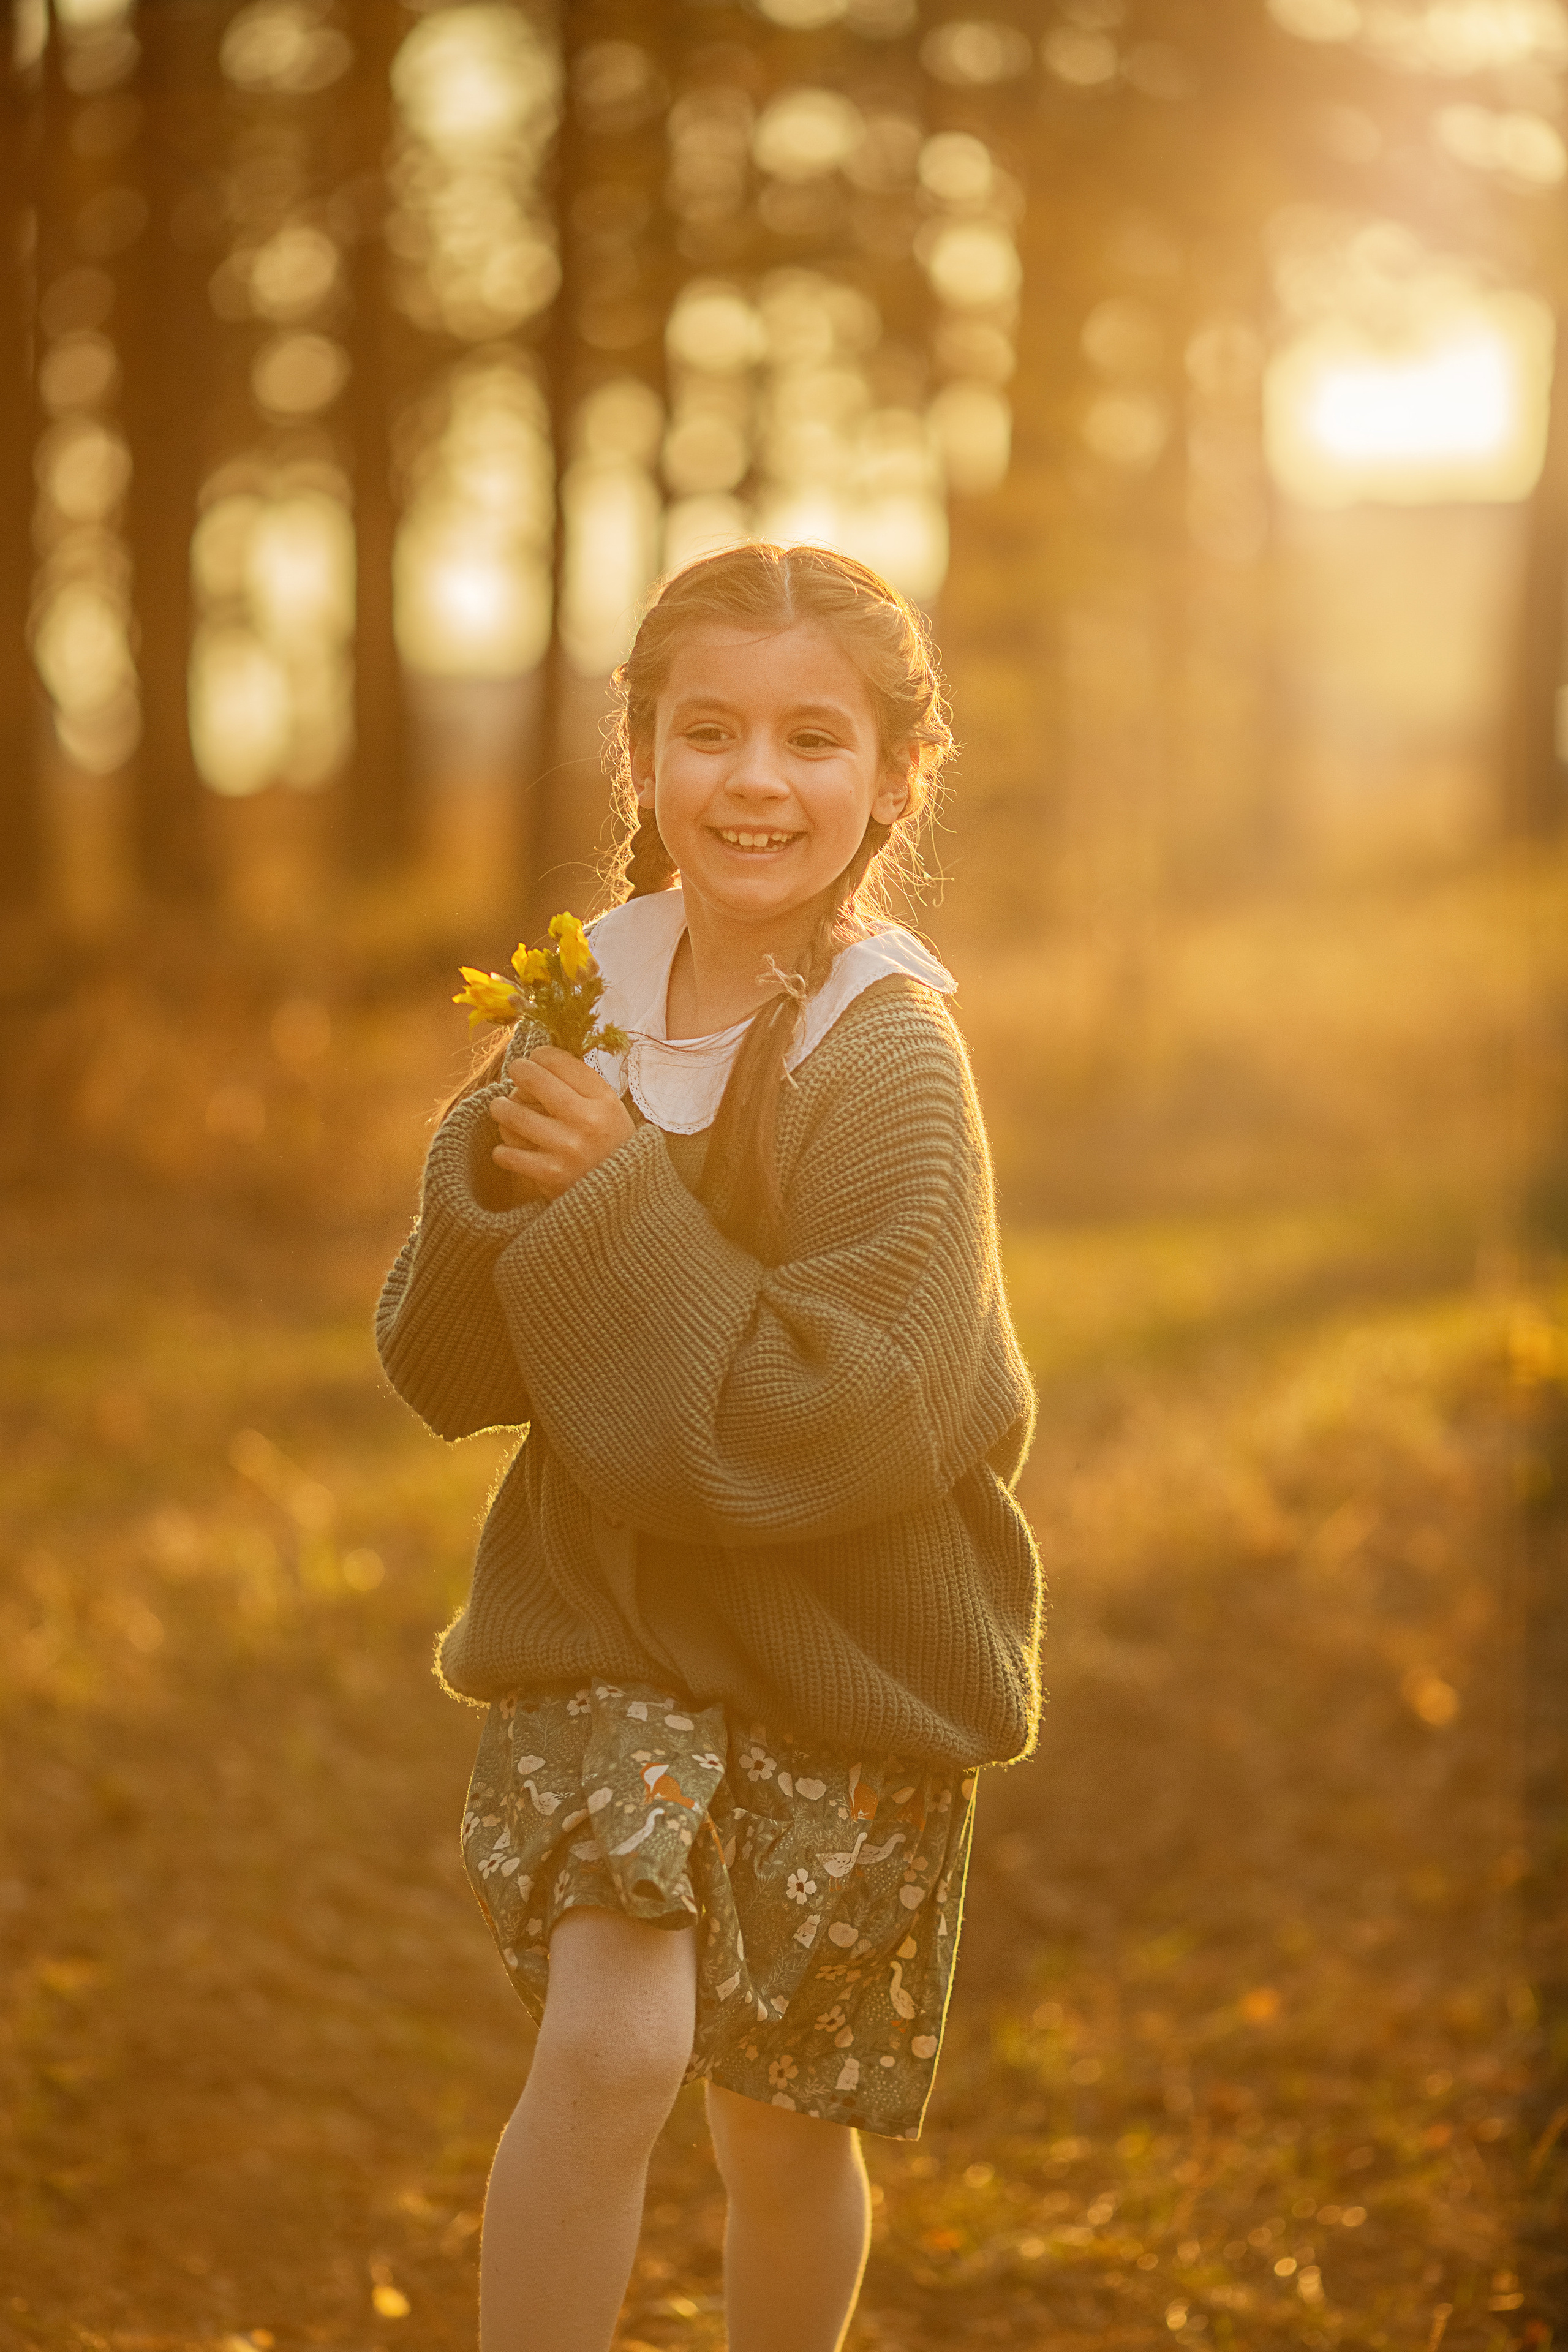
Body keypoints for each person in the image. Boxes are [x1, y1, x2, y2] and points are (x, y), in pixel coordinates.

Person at [376, 541, 1042, 2352]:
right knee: (612, 2049)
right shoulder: (579, 999)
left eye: (814, 740)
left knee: (776, 2122)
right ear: (643, 761)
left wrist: (617, 1203)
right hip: (612, 1619)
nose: (758, 780)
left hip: (842, 1642)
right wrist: (497, 1152)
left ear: (893, 779)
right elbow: (447, 1362)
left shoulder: (885, 1054)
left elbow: (841, 1414)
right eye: (712, 733)